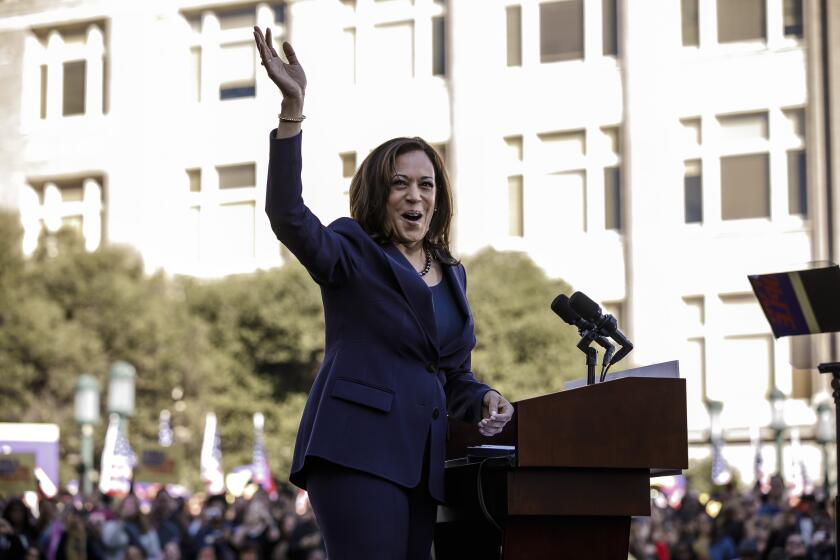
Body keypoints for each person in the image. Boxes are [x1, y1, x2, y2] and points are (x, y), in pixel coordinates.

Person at [252, 26, 515, 560]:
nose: (415, 195)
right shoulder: (352, 252)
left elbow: (450, 375)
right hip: (357, 452)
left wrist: (484, 397)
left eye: (427, 184)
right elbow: (288, 216)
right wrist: (292, 111)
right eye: (400, 183)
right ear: (379, 192)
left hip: (423, 464)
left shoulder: (453, 275)